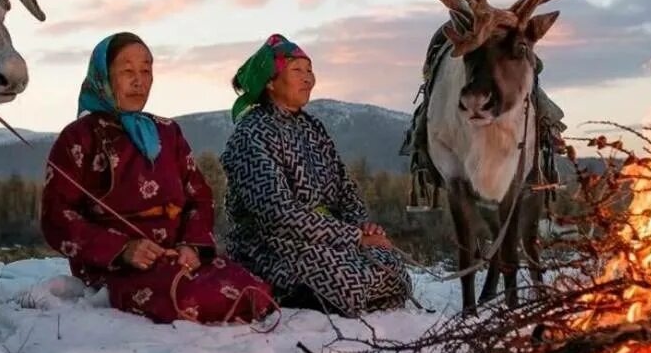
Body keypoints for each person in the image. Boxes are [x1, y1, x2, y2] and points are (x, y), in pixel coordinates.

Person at [41, 32, 272, 324]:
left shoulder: (167, 132)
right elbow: (56, 217)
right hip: (116, 266)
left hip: (178, 258)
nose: (139, 81)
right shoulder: (78, 137)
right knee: (191, 299)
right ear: (102, 76)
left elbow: (198, 195)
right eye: (127, 71)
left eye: (146, 71)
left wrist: (191, 245)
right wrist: (123, 250)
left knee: (255, 289)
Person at [220, 34, 412, 317]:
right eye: (297, 71)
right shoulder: (252, 134)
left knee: (391, 265)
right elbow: (278, 216)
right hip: (271, 242)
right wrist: (353, 237)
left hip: (325, 235)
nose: (308, 78)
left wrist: (363, 227)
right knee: (348, 282)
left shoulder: (313, 128)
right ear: (271, 82)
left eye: (309, 70)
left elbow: (345, 189)